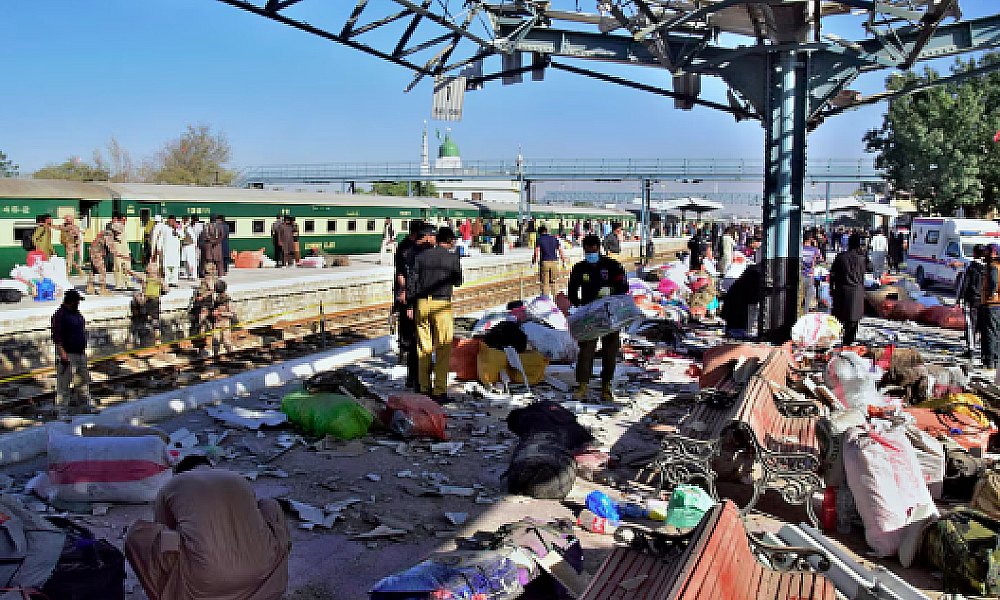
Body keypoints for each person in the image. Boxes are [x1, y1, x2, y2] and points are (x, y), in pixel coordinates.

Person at [125, 454, 291, 600]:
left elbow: (164, 534)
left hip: (205, 580)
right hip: (261, 570)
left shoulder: (172, 485)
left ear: (181, 473)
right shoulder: (238, 478)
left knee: (140, 534)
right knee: (270, 505)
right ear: (210, 467)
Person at [568, 235, 629, 402]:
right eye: (587, 251)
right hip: (589, 315)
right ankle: (582, 387)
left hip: (610, 314)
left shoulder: (612, 265)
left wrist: (611, 290)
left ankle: (606, 387)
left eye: (593, 251)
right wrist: (577, 306)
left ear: (599, 248)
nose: (590, 254)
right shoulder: (579, 268)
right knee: (586, 351)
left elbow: (624, 285)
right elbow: (572, 290)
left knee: (610, 351)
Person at [408, 227, 463, 403]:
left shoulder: (421, 257)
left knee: (423, 348)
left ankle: (424, 390)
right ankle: (439, 392)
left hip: (422, 304)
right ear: (451, 241)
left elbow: (412, 283)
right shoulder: (452, 257)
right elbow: (458, 281)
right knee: (443, 348)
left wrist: (411, 304)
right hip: (441, 305)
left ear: (437, 239)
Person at [394, 220, 426, 389]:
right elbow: (402, 272)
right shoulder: (407, 248)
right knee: (411, 335)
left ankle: (414, 376)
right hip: (410, 297)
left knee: (414, 336)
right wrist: (405, 292)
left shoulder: (410, 246)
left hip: (412, 295)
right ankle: (414, 376)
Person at [51, 289, 92, 418]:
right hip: (68, 354)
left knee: (83, 381)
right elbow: (57, 336)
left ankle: (85, 406)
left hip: (80, 352)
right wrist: (63, 354)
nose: (78, 304)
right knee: (64, 384)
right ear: (72, 301)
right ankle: (62, 412)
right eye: (77, 301)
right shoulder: (60, 315)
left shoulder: (76, 313)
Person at [831, 233, 867, 346]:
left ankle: (832, 343)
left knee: (838, 320)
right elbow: (870, 268)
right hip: (856, 293)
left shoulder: (841, 257)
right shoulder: (862, 258)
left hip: (841, 291)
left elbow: (832, 274)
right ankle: (847, 345)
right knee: (852, 322)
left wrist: (831, 288)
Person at [128, 256, 166, 345]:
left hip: (147, 300)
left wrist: (128, 271)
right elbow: (167, 289)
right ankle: (157, 339)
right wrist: (160, 292)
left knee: (142, 316)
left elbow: (135, 275)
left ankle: (137, 337)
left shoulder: (146, 278)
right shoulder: (159, 279)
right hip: (155, 301)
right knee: (155, 320)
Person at [957, 244, 985, 360]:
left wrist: (959, 299)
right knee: (982, 325)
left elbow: (964, 284)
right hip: (984, 300)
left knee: (970, 325)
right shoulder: (989, 268)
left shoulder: (971, 267)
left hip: (971, 299)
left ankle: (971, 349)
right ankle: (984, 351)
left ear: (974, 253)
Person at [532, 225, 567, 298]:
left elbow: (536, 252)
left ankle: (546, 301)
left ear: (540, 232)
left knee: (545, 283)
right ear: (546, 231)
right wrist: (564, 261)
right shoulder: (554, 239)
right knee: (554, 282)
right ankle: (557, 301)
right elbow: (560, 251)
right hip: (554, 262)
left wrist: (534, 262)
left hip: (545, 262)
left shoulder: (539, 239)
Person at [981, 244, 1000, 370]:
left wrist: (991, 293)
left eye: (987, 251)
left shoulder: (993, 267)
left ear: (993, 253)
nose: (984, 254)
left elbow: (993, 281)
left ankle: (989, 361)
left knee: (989, 333)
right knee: (997, 332)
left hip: (991, 304)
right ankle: (996, 360)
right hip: (998, 304)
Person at [86, 226, 116, 295]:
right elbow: (110, 247)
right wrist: (120, 254)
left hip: (93, 251)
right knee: (102, 271)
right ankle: (102, 289)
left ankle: (89, 286)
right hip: (96, 253)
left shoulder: (103, 232)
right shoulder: (108, 235)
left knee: (93, 270)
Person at [211, 280, 236, 355]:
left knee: (226, 342)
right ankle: (216, 357)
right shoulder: (217, 299)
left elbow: (231, 314)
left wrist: (220, 313)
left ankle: (231, 356)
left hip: (225, 323)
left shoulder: (227, 300)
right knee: (215, 341)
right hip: (217, 323)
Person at [801, 235, 822, 314]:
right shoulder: (815, 250)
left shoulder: (799, 249)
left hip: (799, 275)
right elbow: (820, 259)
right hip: (809, 275)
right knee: (807, 299)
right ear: (811, 239)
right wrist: (816, 246)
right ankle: (804, 315)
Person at [160, 216, 182, 287]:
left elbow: (182, 235)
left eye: (173, 221)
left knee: (175, 267)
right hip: (167, 249)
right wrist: (159, 248)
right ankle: (167, 281)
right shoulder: (164, 227)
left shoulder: (179, 227)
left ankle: (174, 281)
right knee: (167, 266)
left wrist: (176, 229)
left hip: (175, 251)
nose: (171, 222)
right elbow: (160, 238)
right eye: (170, 221)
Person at [112, 221, 132, 292]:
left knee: (127, 269)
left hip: (125, 252)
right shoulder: (113, 227)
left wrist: (129, 252)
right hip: (117, 252)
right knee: (118, 268)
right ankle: (118, 286)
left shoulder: (124, 230)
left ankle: (129, 285)